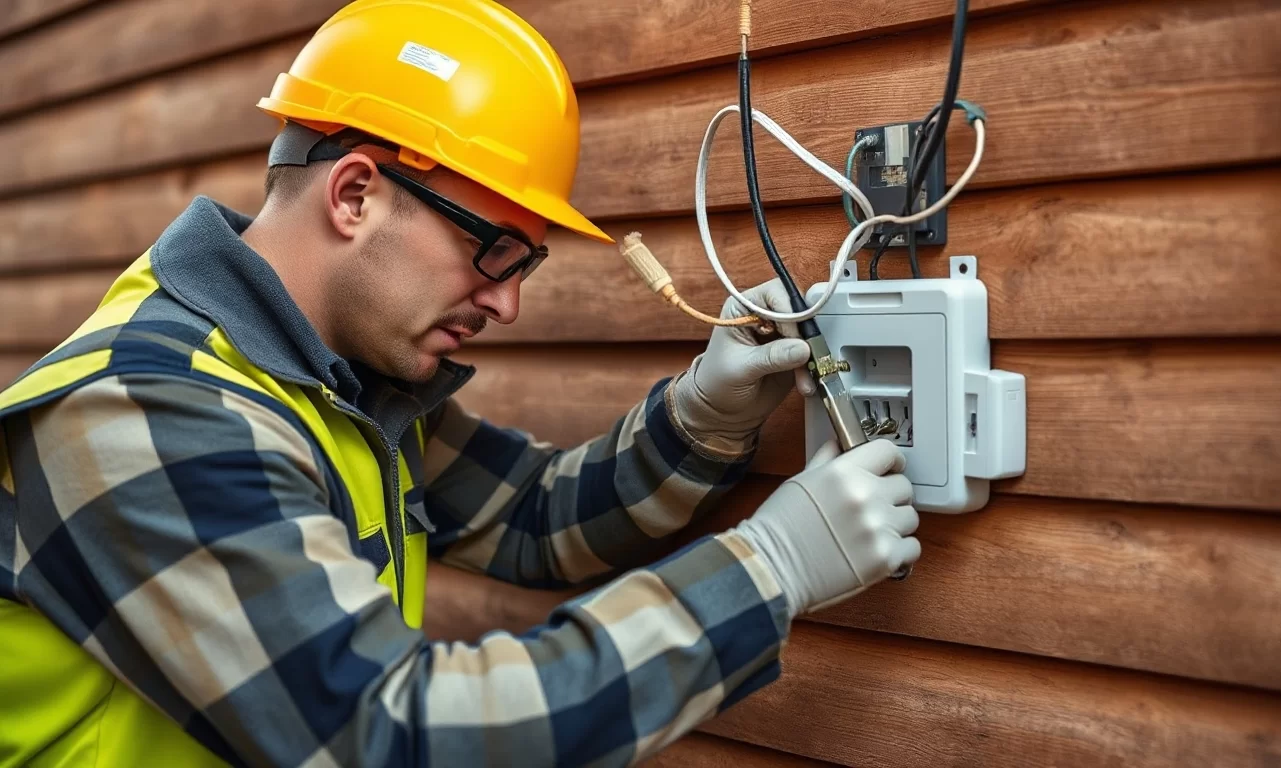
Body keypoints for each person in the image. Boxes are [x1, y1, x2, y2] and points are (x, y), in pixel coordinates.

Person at [0, 1, 921, 765]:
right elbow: (394, 737)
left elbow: (534, 521)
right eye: (494, 251)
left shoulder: (324, 380)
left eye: (527, 265)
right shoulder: (145, 410)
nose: (507, 304)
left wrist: (701, 417)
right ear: (354, 194)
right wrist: (769, 569)